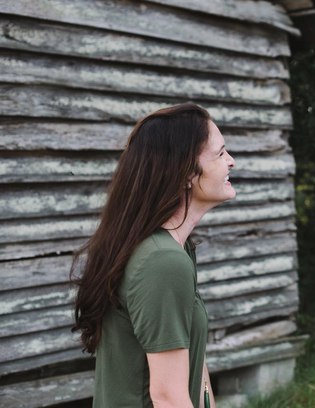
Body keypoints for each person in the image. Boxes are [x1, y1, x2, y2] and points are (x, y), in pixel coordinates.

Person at [71, 102, 235, 407]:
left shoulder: (173, 249)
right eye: (221, 153)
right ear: (186, 172)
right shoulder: (162, 262)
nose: (231, 162)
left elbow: (193, 370)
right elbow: (169, 397)